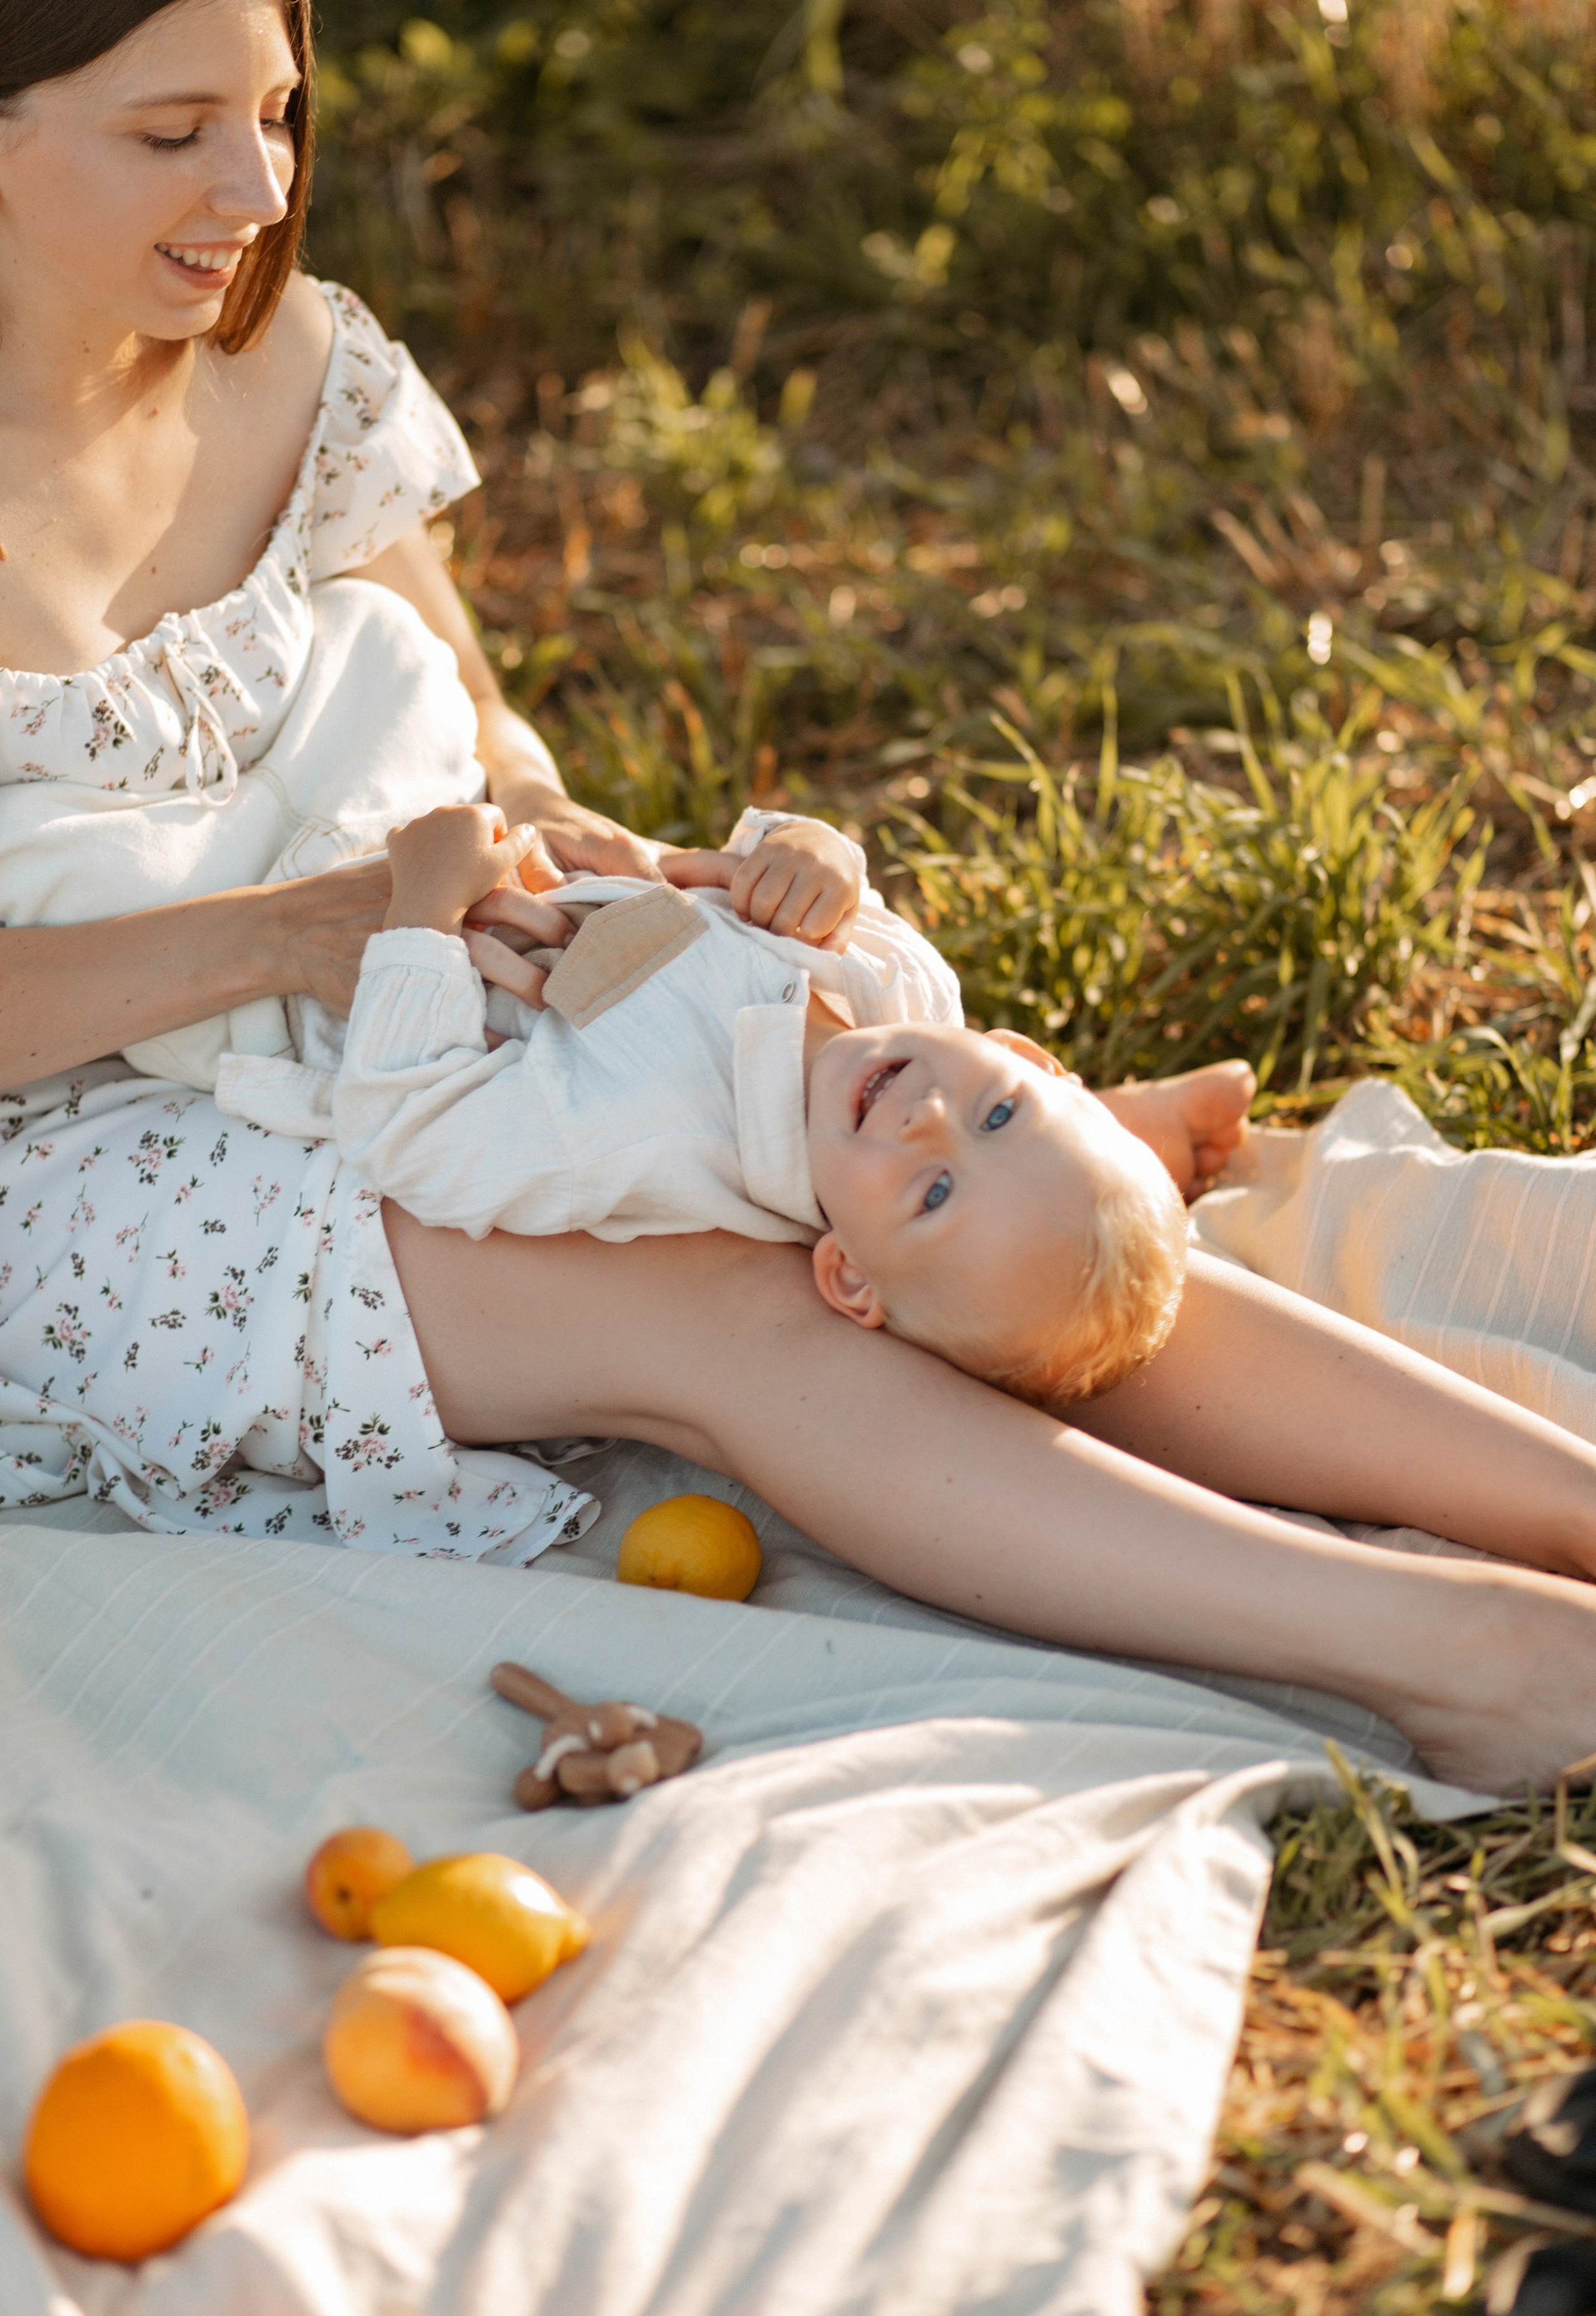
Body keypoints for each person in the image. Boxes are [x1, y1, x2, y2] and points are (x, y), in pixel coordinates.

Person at [6, 0, 1596, 1795]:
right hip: (80, 1133)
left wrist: (565, 831)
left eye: (280, 113)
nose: (258, 183)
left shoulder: (285, 352)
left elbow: (475, 715)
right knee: (739, 1278)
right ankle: (1468, 1656)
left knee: (934, 1188)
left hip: (426, 938)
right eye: (174, 132)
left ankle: (1578, 1515)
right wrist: (328, 932)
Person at [226, 798, 1186, 1412]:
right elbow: (757, 879)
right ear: (1028, 1057)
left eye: (933, 1194)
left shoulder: (657, 1138)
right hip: (450, 821)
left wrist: (421, 912)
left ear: (849, 1275)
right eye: (1001, 1116)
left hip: (302, 958)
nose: (928, 1120)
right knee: (386, 643)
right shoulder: (906, 989)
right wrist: (808, 852)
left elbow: (408, 1130)